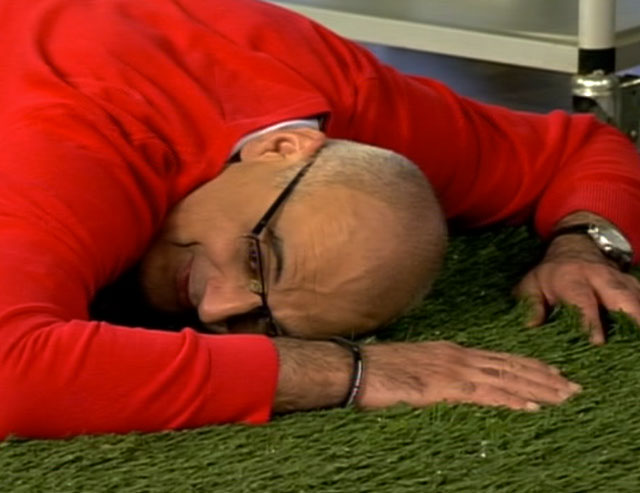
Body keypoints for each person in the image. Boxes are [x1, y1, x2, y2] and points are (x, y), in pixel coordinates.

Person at [0, 0, 638, 440]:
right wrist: (343, 370)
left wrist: (584, 245)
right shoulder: (70, 149)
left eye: (263, 323)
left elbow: (581, 148)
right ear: (279, 149)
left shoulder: (357, 107)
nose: (216, 308)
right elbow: (14, 373)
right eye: (259, 259)